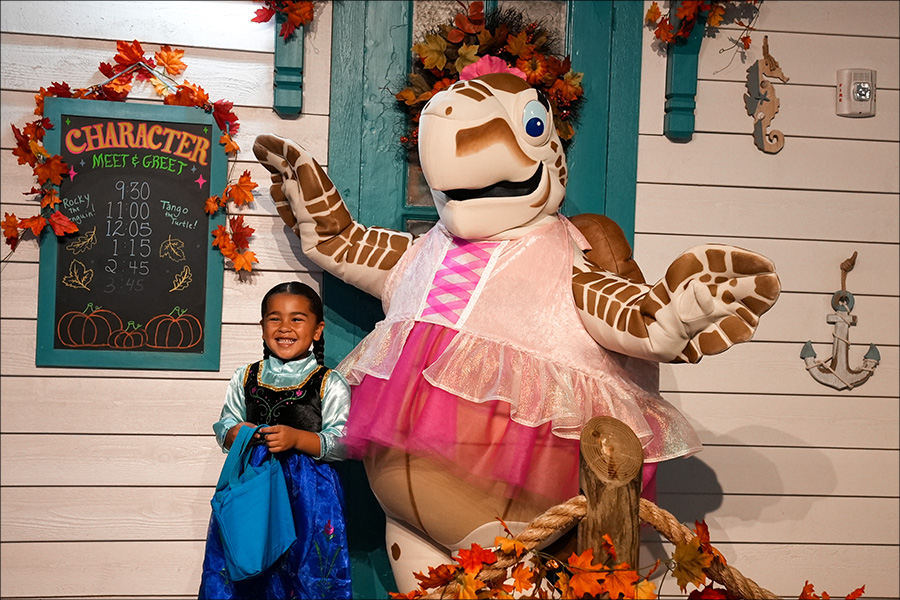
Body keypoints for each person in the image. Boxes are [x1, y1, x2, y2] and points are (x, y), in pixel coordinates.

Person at [199, 281, 352, 600]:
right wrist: (239, 432)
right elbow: (225, 422)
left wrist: (297, 438)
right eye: (274, 318)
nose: (285, 327)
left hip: (310, 497)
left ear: (317, 329)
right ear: (262, 326)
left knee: (304, 574)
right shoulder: (245, 377)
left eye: (297, 319)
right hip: (252, 490)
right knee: (248, 568)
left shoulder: (329, 382)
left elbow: (344, 442)